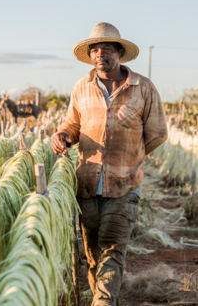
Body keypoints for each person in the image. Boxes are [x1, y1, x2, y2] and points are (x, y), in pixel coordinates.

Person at [51, 22, 168, 306]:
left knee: (113, 251)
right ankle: (103, 298)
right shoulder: (82, 87)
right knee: (93, 255)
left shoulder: (142, 88)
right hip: (87, 185)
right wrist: (63, 135)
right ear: (90, 54)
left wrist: (131, 158)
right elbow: (73, 124)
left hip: (125, 186)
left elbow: (158, 134)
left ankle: (103, 302)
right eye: (95, 49)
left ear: (119, 53)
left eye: (106, 49)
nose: (100, 54)